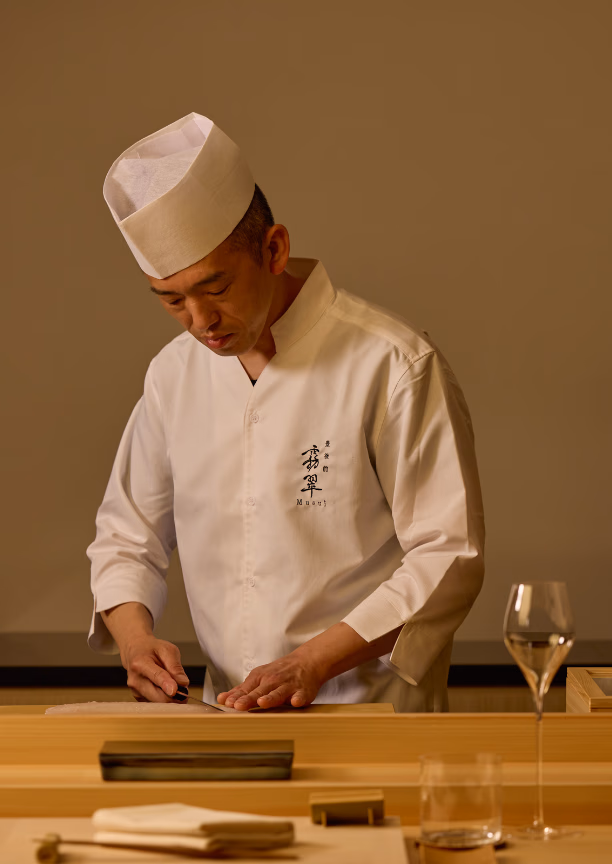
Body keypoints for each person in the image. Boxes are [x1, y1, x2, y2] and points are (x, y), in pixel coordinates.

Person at [87, 112, 485, 713]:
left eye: (214, 288)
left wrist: (314, 661)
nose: (199, 322)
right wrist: (136, 642)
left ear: (274, 249)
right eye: (172, 300)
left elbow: (448, 556)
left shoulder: (393, 363)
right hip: (229, 720)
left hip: (372, 715)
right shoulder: (174, 375)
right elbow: (126, 534)